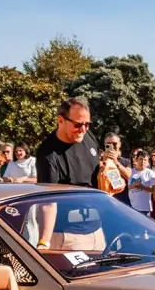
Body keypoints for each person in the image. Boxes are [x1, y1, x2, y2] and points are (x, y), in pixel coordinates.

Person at [33, 97, 105, 250]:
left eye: (87, 124)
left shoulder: (88, 137)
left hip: (97, 232)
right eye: (78, 124)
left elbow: (97, 171)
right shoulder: (48, 154)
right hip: (67, 236)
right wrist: (44, 242)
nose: (83, 130)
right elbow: (48, 202)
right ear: (60, 120)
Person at [127, 148, 155, 217]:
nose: (142, 162)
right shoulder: (131, 171)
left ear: (148, 161)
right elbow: (128, 187)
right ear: (136, 160)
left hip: (145, 208)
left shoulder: (150, 173)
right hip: (132, 207)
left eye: (145, 160)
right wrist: (134, 185)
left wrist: (142, 186)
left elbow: (153, 189)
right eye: (140, 159)